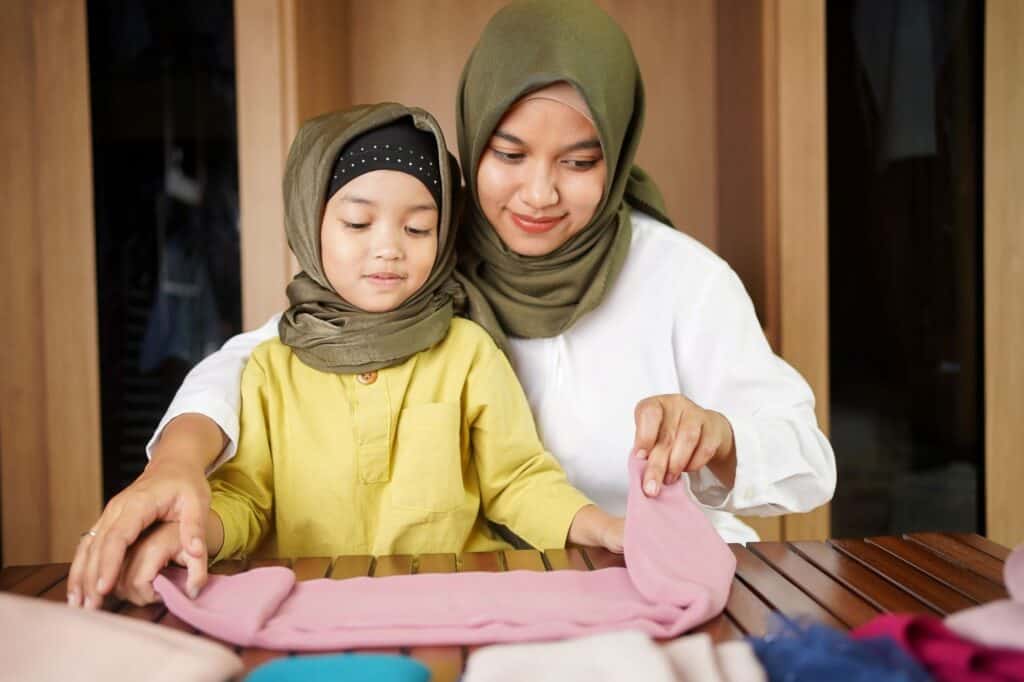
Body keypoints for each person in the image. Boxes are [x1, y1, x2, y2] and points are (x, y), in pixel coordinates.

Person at [69, 0, 835, 610]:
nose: (539, 194)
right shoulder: (423, 256)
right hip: (484, 592)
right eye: (508, 154)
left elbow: (809, 463)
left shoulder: (683, 279)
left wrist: (722, 436)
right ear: (472, 139)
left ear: (621, 148)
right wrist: (175, 465)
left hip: (652, 582)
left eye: (579, 161)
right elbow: (265, 359)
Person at [69, 104, 622, 607]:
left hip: (451, 602)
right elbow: (246, 500)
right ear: (310, 224)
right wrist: (192, 533)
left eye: (418, 227)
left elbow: (517, 480)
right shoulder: (270, 369)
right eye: (358, 223)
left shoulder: (468, 354)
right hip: (309, 610)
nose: (389, 247)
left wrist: (601, 526)